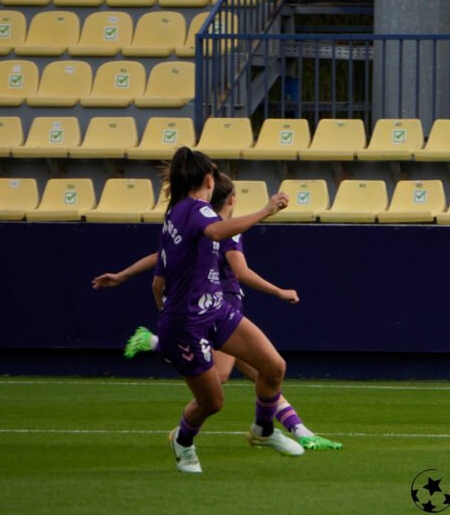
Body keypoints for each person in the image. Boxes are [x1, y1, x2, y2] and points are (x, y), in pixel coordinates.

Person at [93, 172, 342, 451]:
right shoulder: (226, 229)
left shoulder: (198, 225)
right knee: (226, 376)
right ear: (232, 199)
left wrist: (124, 275)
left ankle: (293, 429)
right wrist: (278, 291)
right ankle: (186, 428)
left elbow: (160, 257)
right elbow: (240, 270)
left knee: (264, 371)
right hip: (218, 309)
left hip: (208, 308)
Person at [127, 146, 304, 472]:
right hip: (187, 325)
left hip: (215, 311)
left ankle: (263, 431)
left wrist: (164, 312)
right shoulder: (198, 210)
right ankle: (183, 441)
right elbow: (217, 230)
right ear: (208, 179)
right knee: (213, 402)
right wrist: (267, 209)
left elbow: (157, 282)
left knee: (273, 366)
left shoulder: (175, 215)